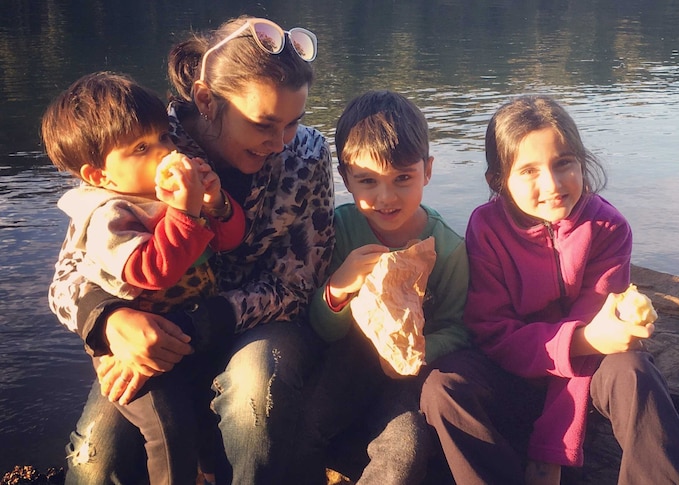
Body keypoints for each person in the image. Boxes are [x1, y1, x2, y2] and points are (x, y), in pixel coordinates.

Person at [47, 16, 335, 484]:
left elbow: (299, 283)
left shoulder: (307, 156)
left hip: (258, 327)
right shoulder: (145, 142)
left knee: (253, 394)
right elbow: (70, 271)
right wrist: (109, 323)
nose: (281, 144)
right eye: (264, 124)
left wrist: (199, 323)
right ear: (206, 99)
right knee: (96, 457)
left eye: (294, 122)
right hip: (153, 326)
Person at [420, 95, 679, 485]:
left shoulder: (607, 229)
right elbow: (495, 337)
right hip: (513, 375)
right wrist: (583, 339)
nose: (551, 184)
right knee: (443, 387)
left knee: (634, 370)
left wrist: (551, 450)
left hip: (587, 381)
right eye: (529, 171)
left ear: (581, 162)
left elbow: (595, 347)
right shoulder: (487, 229)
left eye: (563, 163)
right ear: (497, 182)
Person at [41, 71, 246, 484]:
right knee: (168, 430)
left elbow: (227, 242)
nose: (163, 152)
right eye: (140, 148)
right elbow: (150, 270)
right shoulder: (107, 216)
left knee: (209, 425)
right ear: (99, 175)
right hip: (134, 352)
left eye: (163, 138)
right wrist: (186, 212)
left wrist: (217, 203)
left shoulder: (161, 193)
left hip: (187, 335)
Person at [294, 90, 472, 484]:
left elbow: (460, 331)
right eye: (368, 181)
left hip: (406, 376)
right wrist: (338, 289)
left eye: (403, 179)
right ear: (345, 179)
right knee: (300, 427)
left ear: (427, 170)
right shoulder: (340, 230)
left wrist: (417, 352)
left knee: (403, 449)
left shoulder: (447, 247)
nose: (386, 197)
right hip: (347, 360)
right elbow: (321, 329)